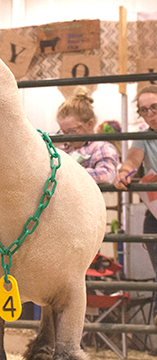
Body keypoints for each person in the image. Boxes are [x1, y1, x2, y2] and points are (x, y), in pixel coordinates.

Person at [114, 84, 157, 337]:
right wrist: (124, 172)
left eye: (155, 107)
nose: (150, 114)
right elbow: (132, 160)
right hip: (155, 216)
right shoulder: (143, 136)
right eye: (144, 110)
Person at [56, 86, 119, 184]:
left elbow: (106, 174)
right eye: (64, 132)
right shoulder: (60, 151)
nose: (68, 136)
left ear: (90, 124)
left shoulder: (102, 147)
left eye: (73, 131)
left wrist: (68, 174)